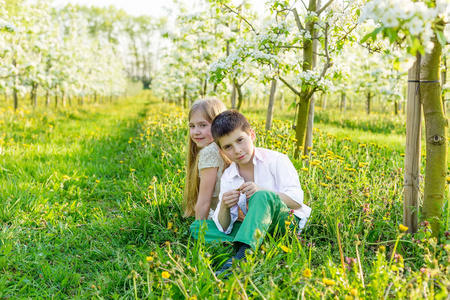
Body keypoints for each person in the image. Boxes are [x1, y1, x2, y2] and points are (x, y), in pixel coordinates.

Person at [210, 109, 311, 276]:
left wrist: (261, 191)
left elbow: (296, 201)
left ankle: (242, 256)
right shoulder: (229, 175)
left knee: (261, 196)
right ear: (222, 151)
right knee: (199, 227)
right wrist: (224, 208)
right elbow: (225, 226)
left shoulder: (277, 160)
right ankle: (254, 243)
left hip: (285, 223)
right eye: (228, 146)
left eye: (240, 140)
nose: (237, 150)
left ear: (252, 135)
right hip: (255, 226)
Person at [184, 98, 242, 243]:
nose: (196, 132)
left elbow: (204, 201)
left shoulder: (210, 152)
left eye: (203, 125)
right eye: (192, 126)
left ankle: (238, 240)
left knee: (195, 229)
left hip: (226, 219)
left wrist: (199, 230)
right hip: (230, 216)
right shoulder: (220, 149)